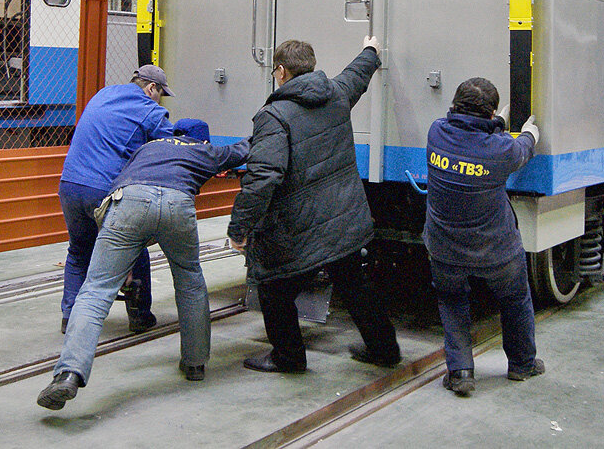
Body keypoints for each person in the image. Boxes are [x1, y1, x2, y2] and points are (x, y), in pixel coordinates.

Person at [37, 126, 250, 410]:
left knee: (95, 291)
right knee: (190, 282)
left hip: (128, 201)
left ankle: (69, 373)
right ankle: (195, 363)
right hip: (177, 203)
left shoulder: (146, 148)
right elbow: (241, 151)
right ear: (200, 139)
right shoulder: (202, 149)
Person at [227, 36, 399, 374]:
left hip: (300, 229)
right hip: (344, 220)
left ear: (280, 71)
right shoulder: (335, 94)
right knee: (355, 284)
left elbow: (263, 178)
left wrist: (239, 228)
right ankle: (385, 350)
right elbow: (357, 74)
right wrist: (371, 50)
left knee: (274, 289)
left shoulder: (273, 116)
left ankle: (288, 357)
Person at [424, 78, 543, 396]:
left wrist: (497, 122)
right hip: (496, 249)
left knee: (452, 301)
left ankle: (461, 372)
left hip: (444, 245)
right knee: (515, 299)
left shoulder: (436, 132)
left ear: (454, 105)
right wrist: (529, 133)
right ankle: (522, 365)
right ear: (490, 113)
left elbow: (471, 141)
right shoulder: (502, 149)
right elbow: (520, 151)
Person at [57, 65, 180, 335]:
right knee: (135, 246)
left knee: (79, 251)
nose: (160, 100)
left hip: (70, 184)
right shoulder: (151, 110)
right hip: (104, 191)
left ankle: (70, 316)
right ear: (151, 88)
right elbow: (169, 149)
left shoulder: (102, 95)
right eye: (161, 94)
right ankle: (139, 316)